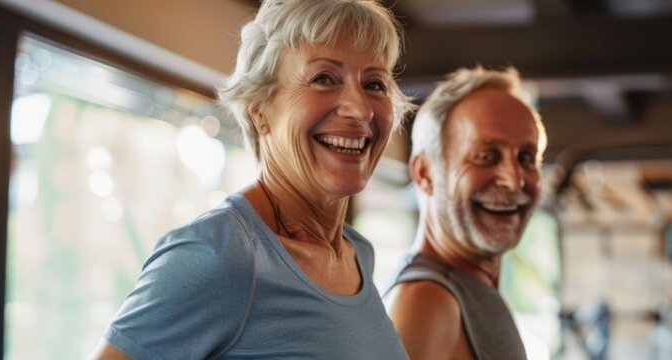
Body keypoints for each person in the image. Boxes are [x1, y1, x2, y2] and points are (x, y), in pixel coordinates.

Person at [91, 0, 415, 358]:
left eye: (375, 84)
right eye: (323, 78)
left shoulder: (358, 254)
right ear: (259, 109)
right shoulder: (218, 257)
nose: (360, 108)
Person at [385, 67, 547, 360]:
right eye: (486, 157)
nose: (514, 180)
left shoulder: (464, 289)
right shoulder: (425, 303)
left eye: (526, 158)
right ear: (424, 173)